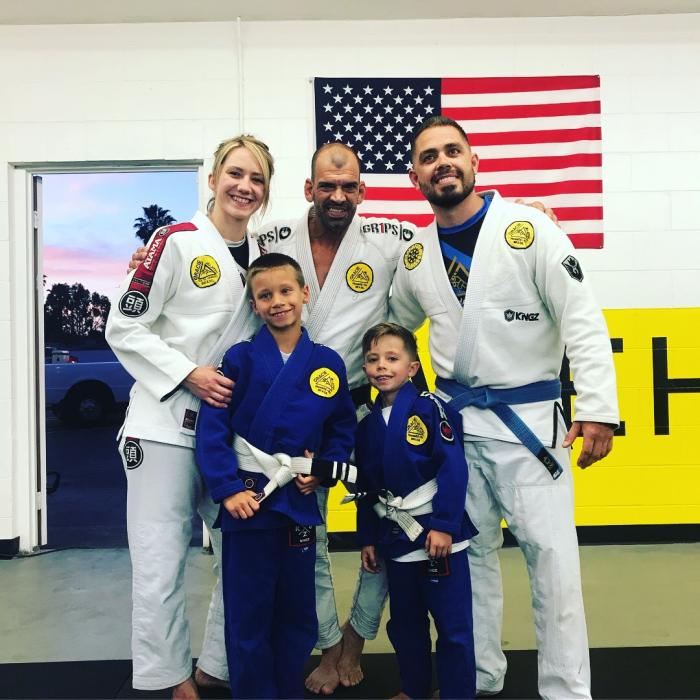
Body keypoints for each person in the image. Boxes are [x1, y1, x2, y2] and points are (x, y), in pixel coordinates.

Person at [126, 141, 558, 695]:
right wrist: (150, 257)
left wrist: (513, 219)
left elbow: (448, 228)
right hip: (269, 418)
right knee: (256, 544)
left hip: (350, 412)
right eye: (326, 186)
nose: (337, 195)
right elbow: (223, 247)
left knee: (386, 527)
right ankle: (254, 657)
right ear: (308, 189)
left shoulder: (388, 238)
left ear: (362, 190)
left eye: (348, 186)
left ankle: (347, 643)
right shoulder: (269, 236)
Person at [390, 116, 619, 700]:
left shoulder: (529, 229)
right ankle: (479, 676)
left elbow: (582, 319)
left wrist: (597, 407)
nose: (442, 162)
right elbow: (393, 332)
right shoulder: (415, 257)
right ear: (415, 176)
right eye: (428, 157)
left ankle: (566, 689)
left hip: (531, 430)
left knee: (553, 562)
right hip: (455, 432)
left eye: (452, 151)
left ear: (474, 161)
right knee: (470, 559)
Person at [106, 135, 274, 699]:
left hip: (228, 430)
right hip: (164, 425)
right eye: (236, 173)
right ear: (213, 178)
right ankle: (171, 676)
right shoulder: (174, 241)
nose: (244, 186)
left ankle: (217, 665)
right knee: (160, 559)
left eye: (257, 179)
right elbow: (124, 326)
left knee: (242, 552)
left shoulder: (267, 252)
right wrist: (187, 373)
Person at [195, 253, 356, 698]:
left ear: (304, 294)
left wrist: (323, 471)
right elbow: (213, 427)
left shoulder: (327, 363)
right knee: (248, 611)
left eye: (286, 291)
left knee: (297, 611)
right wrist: (227, 488)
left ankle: (286, 690)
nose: (277, 301)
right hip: (248, 501)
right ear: (254, 305)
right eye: (265, 295)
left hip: (298, 500)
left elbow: (342, 427)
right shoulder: (240, 358)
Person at [355, 322, 478, 700]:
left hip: (437, 534)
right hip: (396, 537)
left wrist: (444, 524)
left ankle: (457, 693)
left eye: (392, 358)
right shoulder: (367, 424)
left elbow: (453, 468)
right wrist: (368, 538)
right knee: (405, 624)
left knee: (452, 624)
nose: (382, 366)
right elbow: (367, 488)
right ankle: (414, 689)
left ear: (412, 367)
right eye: (373, 359)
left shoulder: (430, 408)